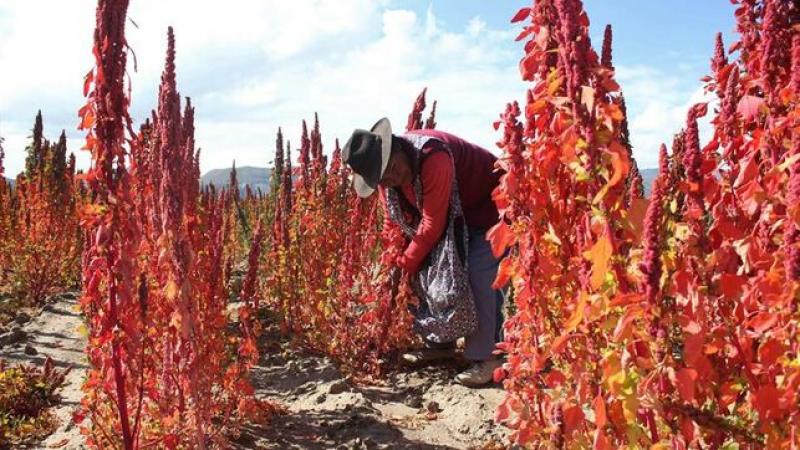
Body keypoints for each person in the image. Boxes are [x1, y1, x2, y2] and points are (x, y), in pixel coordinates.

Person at [342, 117, 505, 387]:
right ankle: (440, 344)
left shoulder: (432, 156)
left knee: (478, 274)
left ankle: (488, 358)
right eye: (383, 178)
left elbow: (432, 224)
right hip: (456, 217)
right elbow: (392, 223)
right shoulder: (389, 181)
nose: (392, 178)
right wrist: (394, 258)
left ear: (397, 148)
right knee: (425, 272)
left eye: (392, 168)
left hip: (489, 208)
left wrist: (406, 262)